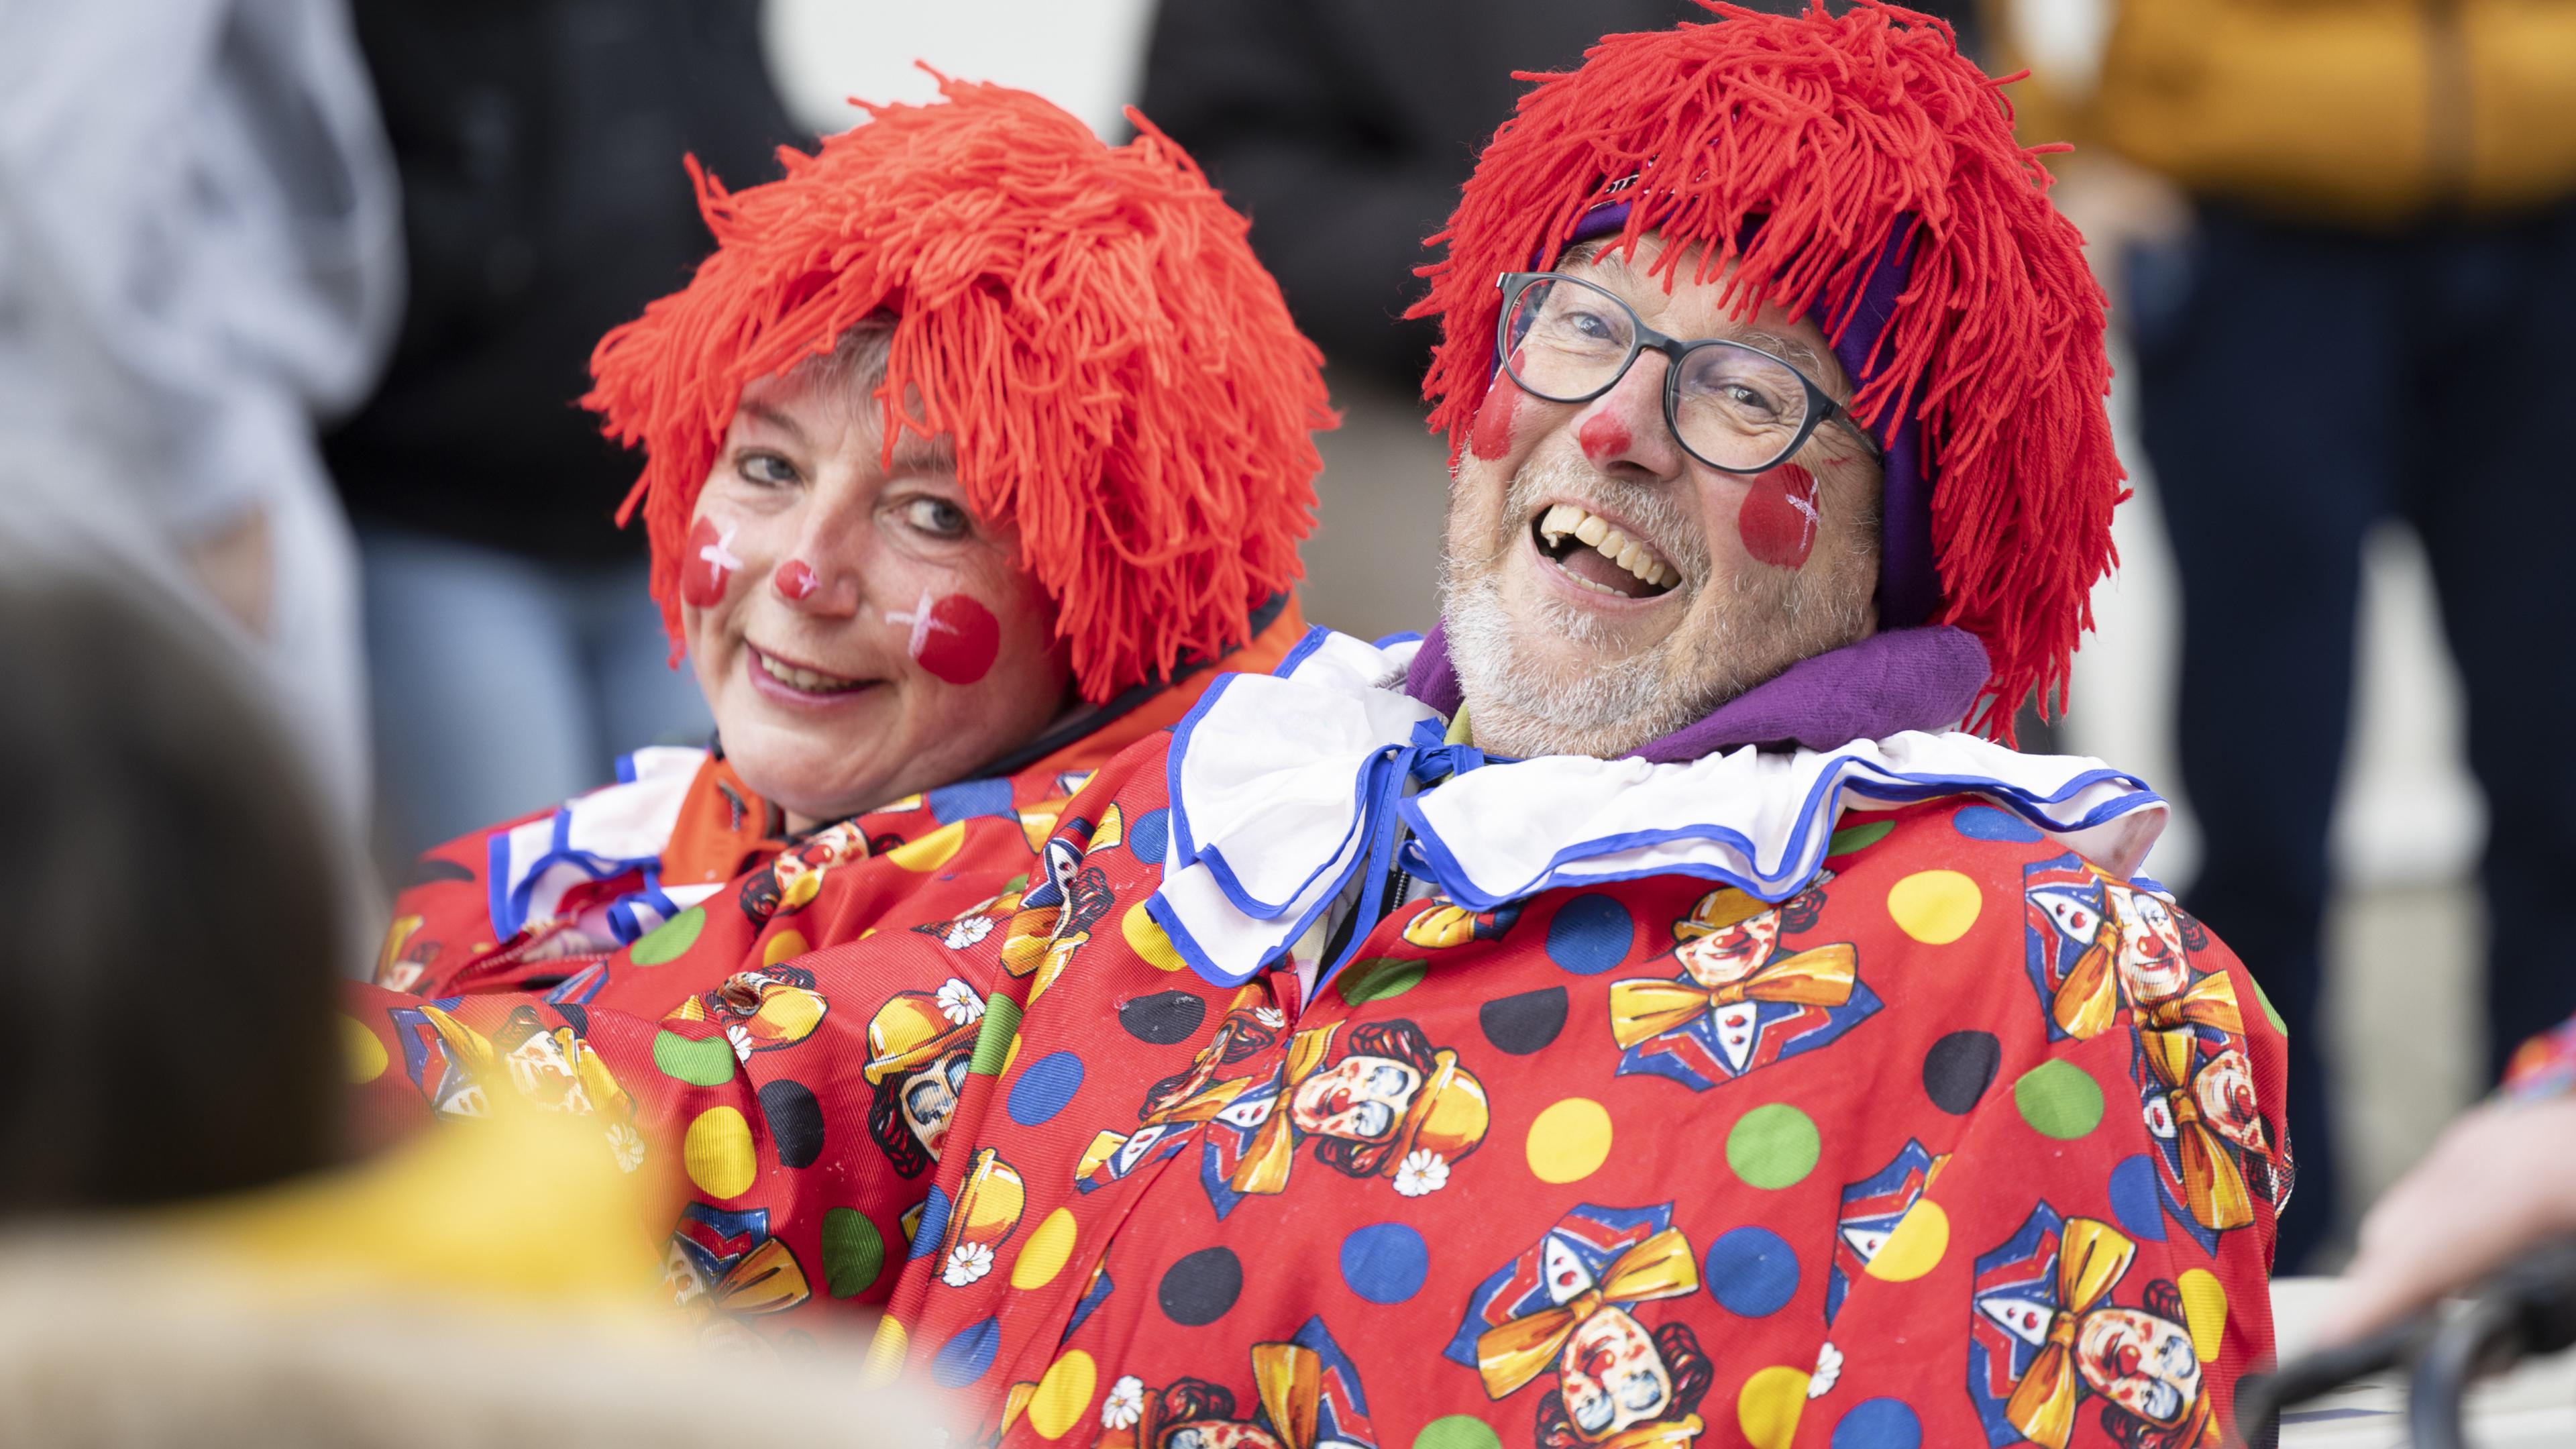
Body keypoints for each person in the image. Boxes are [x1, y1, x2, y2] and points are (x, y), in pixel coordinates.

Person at [468, 6, 2276, 1441]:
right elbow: (761, 1100)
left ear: (1912, 539)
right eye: (1580, 329)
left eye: (1748, 392)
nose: (1618, 427)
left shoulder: (2035, 963)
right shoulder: (1229, 800)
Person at [340, 78, 1335, 1339]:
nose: (801, 574)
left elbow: (715, 1127)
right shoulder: (614, 848)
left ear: (1108, 601)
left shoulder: (1112, 920)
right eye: (767, 466)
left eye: (934, 515)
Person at [1997, 0, 2576, 1270]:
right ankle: (2266, 1242)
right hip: (2262, 237)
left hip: (2548, 224)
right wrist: (2052, 142)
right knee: (2267, 794)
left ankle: (2546, 1225)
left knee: (2561, 785)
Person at [326, 0, 800, 861]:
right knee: (513, 930)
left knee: (720, 898)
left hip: (681, 518)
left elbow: (749, 136)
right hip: (443, 522)